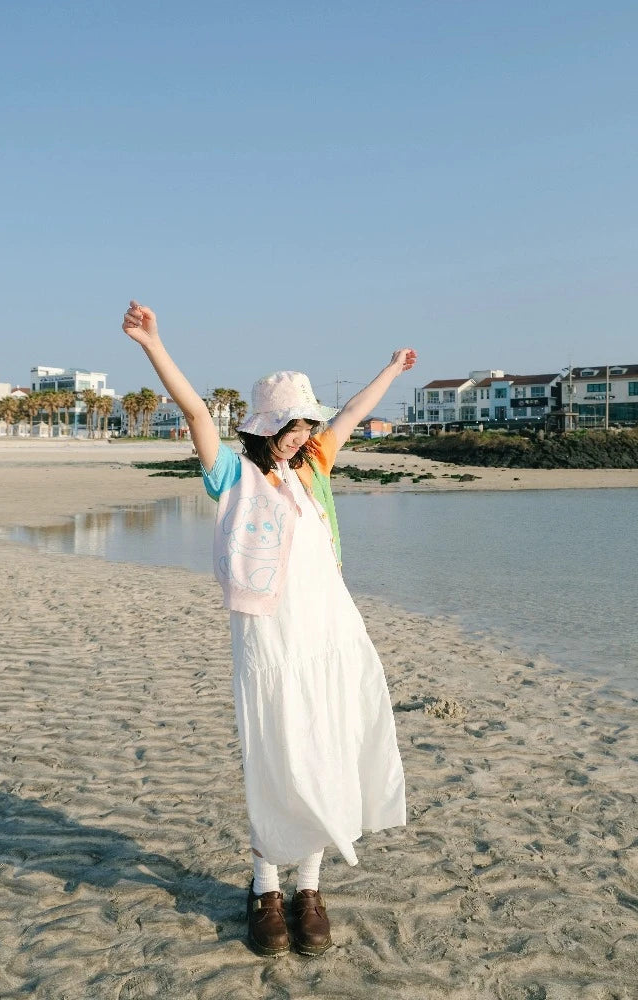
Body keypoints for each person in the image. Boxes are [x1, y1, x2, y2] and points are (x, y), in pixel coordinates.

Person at [122, 301, 416, 957]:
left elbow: (349, 417)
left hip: (330, 636)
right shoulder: (233, 477)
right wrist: (153, 343)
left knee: (326, 748)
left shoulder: (313, 468)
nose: (298, 433)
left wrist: (392, 370)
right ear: (262, 425)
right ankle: (264, 889)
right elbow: (197, 412)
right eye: (287, 424)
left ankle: (308, 890)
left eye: (304, 422)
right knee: (275, 754)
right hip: (269, 644)